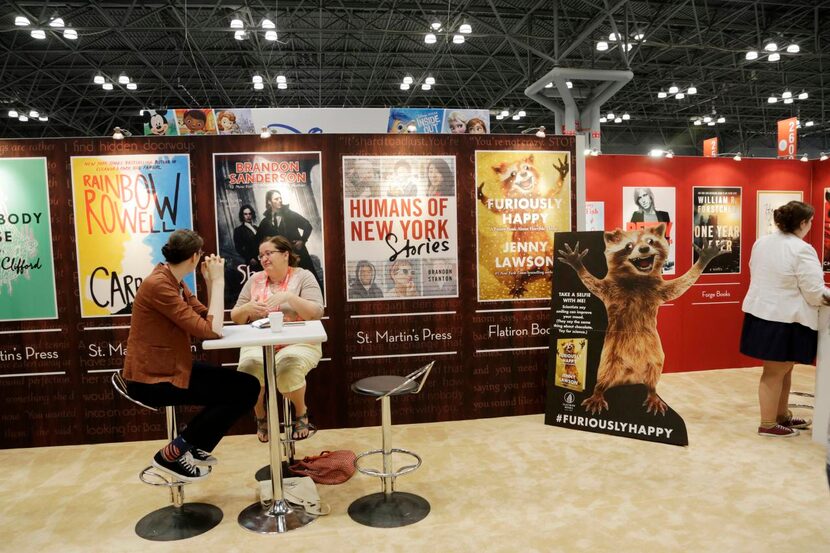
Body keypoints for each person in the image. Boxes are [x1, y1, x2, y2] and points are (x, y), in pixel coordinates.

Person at [121, 230, 259, 481]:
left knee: (247, 385)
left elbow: (207, 317)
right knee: (242, 390)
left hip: (170, 368)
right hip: (151, 380)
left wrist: (209, 282)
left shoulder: (172, 280)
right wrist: (218, 282)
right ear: (195, 257)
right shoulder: (159, 285)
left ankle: (193, 446)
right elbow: (211, 331)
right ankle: (174, 453)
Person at [740, 201, 828, 437]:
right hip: (785, 319)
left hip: (763, 314)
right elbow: (814, 291)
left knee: (783, 370)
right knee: (775, 372)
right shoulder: (801, 249)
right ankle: (768, 424)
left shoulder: (762, 242)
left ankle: (781, 416)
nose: (811, 225)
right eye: (810, 222)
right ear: (802, 223)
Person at [232, 235, 324, 443]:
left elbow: (316, 313)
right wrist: (246, 308)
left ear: (285, 254)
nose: (263, 258)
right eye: (261, 255)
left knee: (287, 369)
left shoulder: (303, 277)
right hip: (259, 342)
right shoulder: (254, 280)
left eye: (268, 253)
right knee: (249, 371)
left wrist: (289, 297)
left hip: (299, 341)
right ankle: (261, 417)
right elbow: (237, 318)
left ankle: (301, 412)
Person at [256, 190, 323, 290]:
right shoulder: (266, 221)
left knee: (307, 280)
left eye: (280, 198)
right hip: (280, 257)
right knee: (288, 283)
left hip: (297, 253)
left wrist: (302, 240)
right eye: (276, 199)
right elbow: (258, 239)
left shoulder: (290, 214)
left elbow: (307, 226)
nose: (280, 201)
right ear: (269, 202)